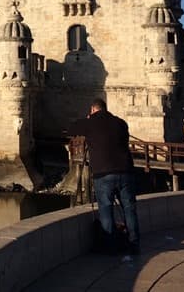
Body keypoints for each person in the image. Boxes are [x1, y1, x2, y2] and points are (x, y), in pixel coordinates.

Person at [68, 98, 140, 254]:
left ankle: (110, 246)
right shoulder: (121, 123)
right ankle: (134, 243)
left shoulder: (91, 122)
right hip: (126, 170)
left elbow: (71, 129)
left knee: (106, 209)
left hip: (103, 173)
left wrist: (88, 121)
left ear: (93, 109)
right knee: (129, 208)